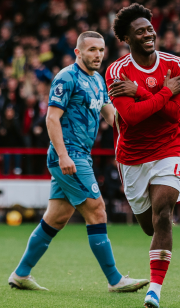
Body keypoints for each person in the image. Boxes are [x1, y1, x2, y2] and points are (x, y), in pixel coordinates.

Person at [8, 31, 148, 293]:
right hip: (70, 155)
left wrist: (143, 122)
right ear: (78, 52)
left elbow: (112, 116)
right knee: (97, 209)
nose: (98, 55)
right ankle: (115, 279)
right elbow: (51, 118)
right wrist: (63, 155)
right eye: (92, 49)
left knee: (57, 218)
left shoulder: (98, 80)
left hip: (81, 155)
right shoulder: (66, 77)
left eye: (101, 50)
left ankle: (20, 274)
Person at [106, 4, 180, 308]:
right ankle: (160, 232)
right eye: (140, 31)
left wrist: (141, 90)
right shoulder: (116, 71)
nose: (148, 34)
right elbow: (133, 117)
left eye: (150, 29)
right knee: (149, 226)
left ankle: (155, 290)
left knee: (163, 214)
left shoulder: (176, 65)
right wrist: (161, 92)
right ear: (127, 37)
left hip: (169, 147)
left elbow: (173, 115)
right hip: (132, 157)